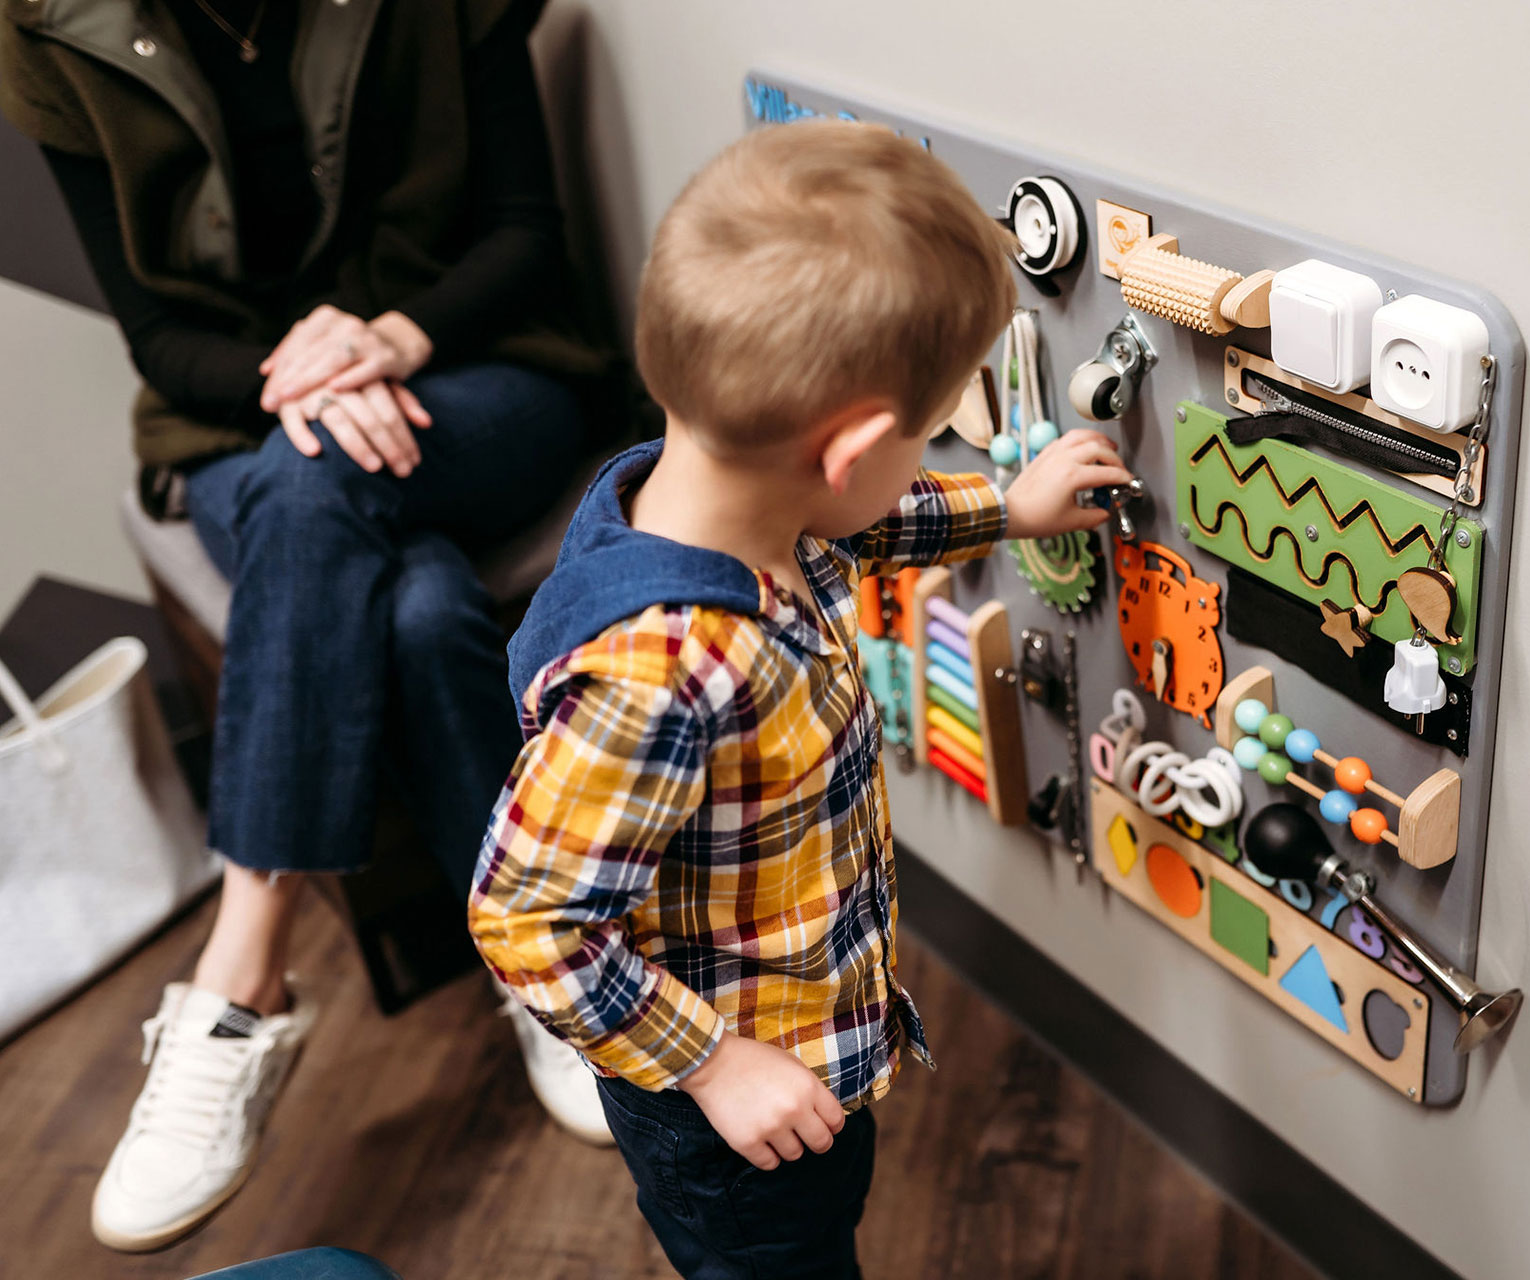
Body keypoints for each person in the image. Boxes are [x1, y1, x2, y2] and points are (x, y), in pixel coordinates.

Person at [0, 0, 620, 1253]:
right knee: (418, 601)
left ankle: (240, 976)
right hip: (247, 422)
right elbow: (160, 339)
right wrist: (301, 384)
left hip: (482, 372)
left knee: (317, 480)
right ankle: (545, 967)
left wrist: (387, 341)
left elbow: (524, 238)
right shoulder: (47, 22)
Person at [468, 119, 1134, 1278]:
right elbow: (525, 920)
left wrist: (1003, 508)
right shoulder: (661, 668)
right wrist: (715, 1063)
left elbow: (861, 517)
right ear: (852, 445)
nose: (920, 460)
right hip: (729, 1116)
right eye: (923, 437)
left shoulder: (722, 494)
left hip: (800, 1041)